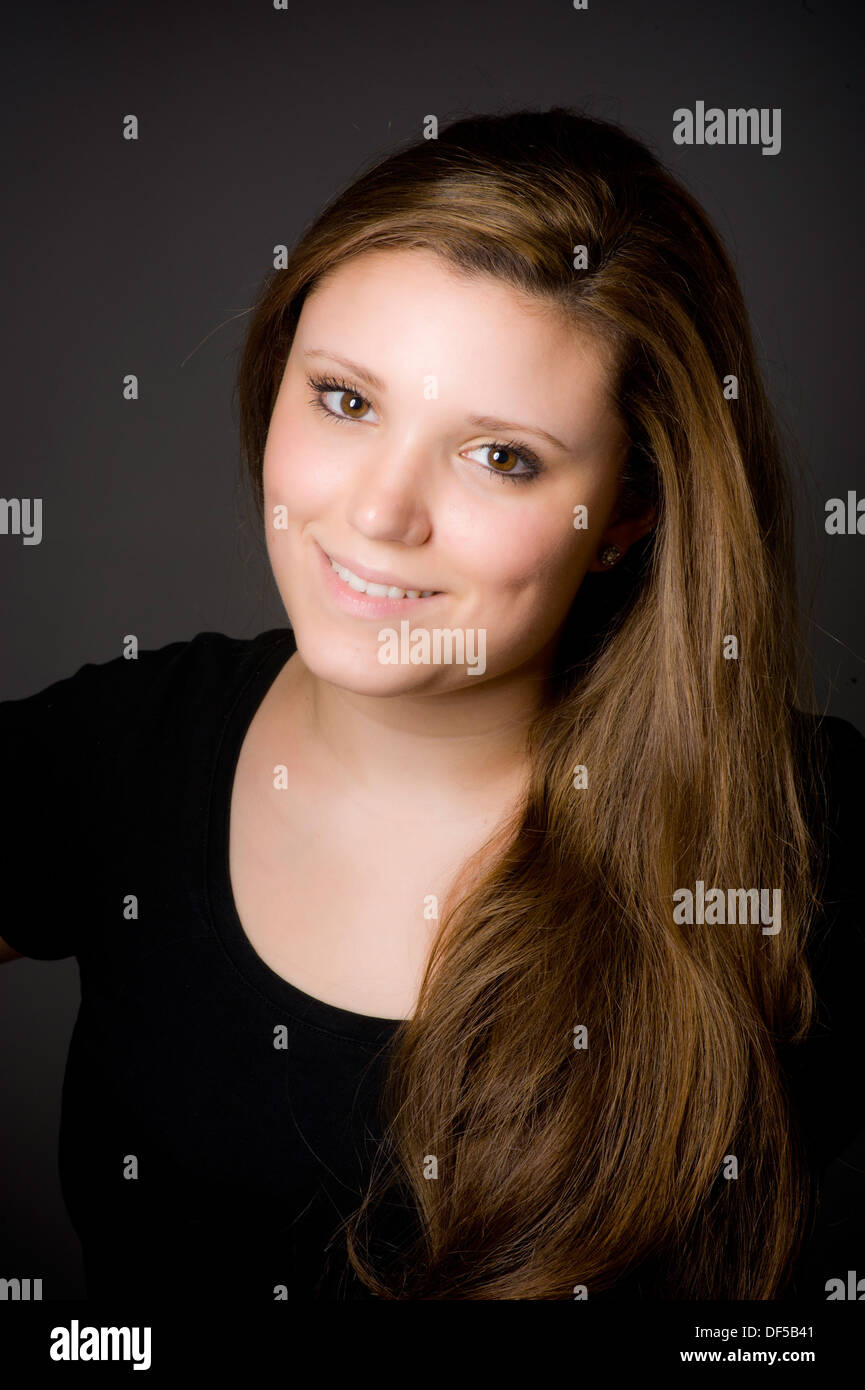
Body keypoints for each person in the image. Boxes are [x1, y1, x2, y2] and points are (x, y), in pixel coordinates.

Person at [1, 106, 863, 1302]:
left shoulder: (815, 837)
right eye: (346, 400)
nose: (378, 513)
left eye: (500, 456)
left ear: (625, 515)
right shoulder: (120, 751)